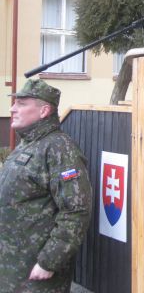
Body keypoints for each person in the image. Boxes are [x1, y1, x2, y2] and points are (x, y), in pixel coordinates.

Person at [0, 79, 92, 292]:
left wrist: (49, 261)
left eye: (22, 104)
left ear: (44, 111)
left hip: (36, 274)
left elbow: (76, 210)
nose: (13, 109)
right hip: (12, 267)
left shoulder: (60, 149)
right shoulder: (29, 144)